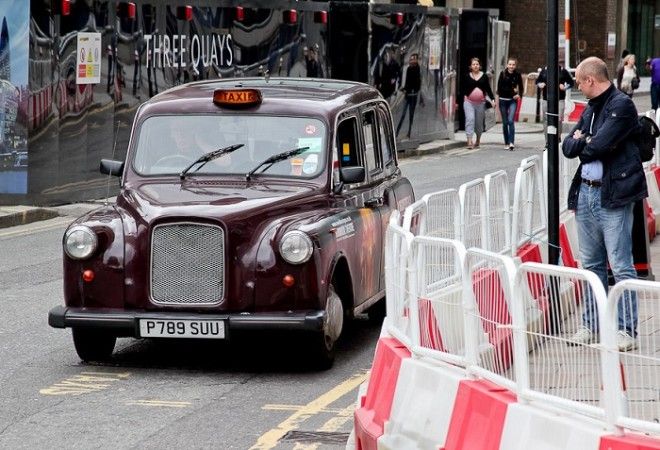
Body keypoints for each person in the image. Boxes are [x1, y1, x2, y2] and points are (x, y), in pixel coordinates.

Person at [562, 56, 647, 352]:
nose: (578, 87)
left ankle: (627, 329)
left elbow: (595, 147)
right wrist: (583, 140)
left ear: (590, 80)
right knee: (592, 264)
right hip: (585, 193)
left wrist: (584, 140)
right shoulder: (591, 107)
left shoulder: (621, 106)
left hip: (614, 193)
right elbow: (567, 147)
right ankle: (590, 325)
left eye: (579, 83)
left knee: (621, 264)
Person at [536, 62, 574, 146]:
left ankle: (558, 137)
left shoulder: (562, 71)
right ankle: (547, 141)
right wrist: (540, 84)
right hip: (547, 99)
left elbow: (571, 82)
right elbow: (538, 81)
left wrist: (565, 87)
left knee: (559, 118)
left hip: (559, 99)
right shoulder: (545, 70)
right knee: (546, 120)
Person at [462, 57, 495, 149]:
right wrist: (460, 100)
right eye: (473, 64)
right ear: (470, 66)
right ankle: (469, 141)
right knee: (470, 119)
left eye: (477, 64)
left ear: (479, 66)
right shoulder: (467, 76)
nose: (475, 66)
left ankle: (478, 139)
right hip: (469, 102)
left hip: (480, 103)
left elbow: (488, 88)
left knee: (479, 123)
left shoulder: (484, 76)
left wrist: (492, 100)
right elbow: (463, 89)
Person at [496, 57, 524, 150]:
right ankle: (506, 143)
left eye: (513, 65)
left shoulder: (517, 75)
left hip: (513, 101)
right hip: (503, 100)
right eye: (510, 64)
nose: (511, 66)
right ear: (507, 65)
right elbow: (500, 89)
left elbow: (521, 87)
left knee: (511, 121)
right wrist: (513, 93)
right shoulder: (502, 74)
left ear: (515, 66)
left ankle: (512, 142)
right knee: (505, 123)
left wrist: (519, 95)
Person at [396, 53, 422, 139]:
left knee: (411, 114)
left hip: (413, 95)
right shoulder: (408, 69)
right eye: (410, 59)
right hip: (408, 95)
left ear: (416, 60)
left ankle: (409, 133)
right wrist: (404, 89)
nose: (411, 61)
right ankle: (397, 132)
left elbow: (417, 83)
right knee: (403, 114)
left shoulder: (417, 69)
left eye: (413, 59)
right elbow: (407, 82)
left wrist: (412, 89)